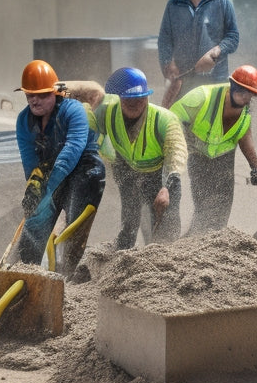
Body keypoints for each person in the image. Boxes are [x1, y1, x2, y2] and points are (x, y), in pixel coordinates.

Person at [76, 67, 187, 250]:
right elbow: (86, 130)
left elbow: (177, 152)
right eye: (129, 99)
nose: (135, 103)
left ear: (147, 96)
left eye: (140, 98)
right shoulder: (107, 113)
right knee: (129, 223)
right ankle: (124, 254)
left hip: (162, 174)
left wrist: (167, 187)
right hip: (127, 169)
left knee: (167, 228)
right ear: (119, 97)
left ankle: (165, 256)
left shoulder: (164, 119)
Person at [15, 60, 105, 277]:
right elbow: (30, 162)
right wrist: (33, 189)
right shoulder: (23, 121)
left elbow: (72, 150)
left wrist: (47, 189)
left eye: (42, 95)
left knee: (72, 229)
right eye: (30, 95)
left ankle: (72, 274)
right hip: (51, 173)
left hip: (84, 170)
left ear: (54, 93)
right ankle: (29, 273)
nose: (35, 100)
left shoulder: (74, 110)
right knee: (33, 230)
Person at [170, 65, 257, 235]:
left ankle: (214, 243)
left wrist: (255, 167)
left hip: (224, 157)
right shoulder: (201, 97)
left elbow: (245, 137)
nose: (246, 98)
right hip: (197, 155)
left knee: (222, 208)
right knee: (204, 206)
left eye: (250, 94)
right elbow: (170, 121)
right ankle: (192, 243)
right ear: (233, 86)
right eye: (243, 93)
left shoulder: (246, 111)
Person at [158, 0, 239, 108]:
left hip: (215, 83)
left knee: (213, 127)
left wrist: (216, 52)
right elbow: (164, 41)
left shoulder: (221, 3)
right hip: (184, 83)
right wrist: (168, 64)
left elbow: (233, 37)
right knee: (184, 126)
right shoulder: (173, 6)